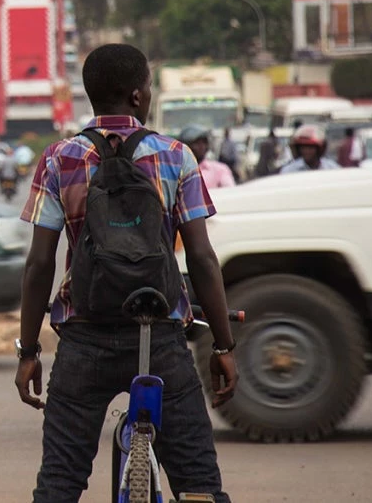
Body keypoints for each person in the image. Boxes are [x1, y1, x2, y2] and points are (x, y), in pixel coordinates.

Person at [15, 43, 236, 503]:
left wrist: (29, 351)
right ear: (138, 96)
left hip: (83, 338)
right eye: (150, 86)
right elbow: (201, 258)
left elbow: (39, 264)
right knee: (198, 484)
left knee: (58, 483)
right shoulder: (176, 156)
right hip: (159, 337)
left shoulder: (59, 159)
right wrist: (222, 344)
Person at [180, 125, 236, 190]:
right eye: (196, 143)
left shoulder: (219, 170)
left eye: (204, 142)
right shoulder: (176, 171)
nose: (202, 147)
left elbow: (230, 193)